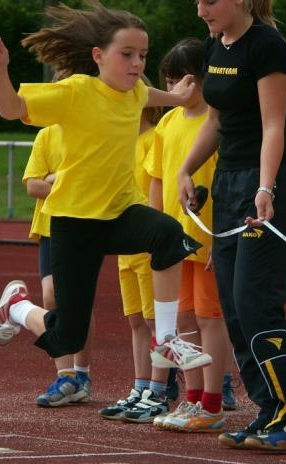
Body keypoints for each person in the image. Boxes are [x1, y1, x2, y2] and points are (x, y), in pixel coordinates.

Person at [0, 1, 212, 375]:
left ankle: (166, 339)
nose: (137, 64)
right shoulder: (76, 91)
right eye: (127, 55)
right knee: (67, 339)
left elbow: (155, 97)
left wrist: (181, 96)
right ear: (98, 56)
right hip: (75, 221)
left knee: (169, 235)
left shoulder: (135, 92)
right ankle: (17, 308)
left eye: (142, 55)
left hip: (120, 212)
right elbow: (12, 109)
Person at [178, 0, 286, 451]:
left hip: (268, 183)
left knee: (256, 301)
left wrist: (266, 188)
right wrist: (187, 169)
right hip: (228, 183)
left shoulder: (267, 45)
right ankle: (270, 410)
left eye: (210, 0)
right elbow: (217, 121)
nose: (202, 9)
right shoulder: (212, 46)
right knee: (235, 308)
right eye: (198, 1)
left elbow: (273, 125)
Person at [141, 38, 230, 432]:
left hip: (209, 238)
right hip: (175, 242)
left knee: (211, 319)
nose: (173, 87)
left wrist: (223, 236)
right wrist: (153, 231)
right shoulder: (167, 124)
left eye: (180, 79)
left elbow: (229, 181)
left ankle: (211, 402)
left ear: (199, 79)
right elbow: (158, 181)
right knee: (182, 320)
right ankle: (191, 398)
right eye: (168, 80)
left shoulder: (218, 121)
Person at [98, 93, 173, 422]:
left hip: (147, 241)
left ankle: (158, 391)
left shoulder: (152, 138)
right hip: (125, 244)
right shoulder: (117, 140)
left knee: (156, 321)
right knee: (136, 320)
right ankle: (141, 387)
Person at [22, 112, 94, 407]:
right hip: (50, 227)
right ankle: (65, 376)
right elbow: (32, 186)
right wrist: (62, 182)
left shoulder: (92, 133)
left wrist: (55, 180)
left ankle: (81, 374)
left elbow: (92, 181)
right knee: (51, 297)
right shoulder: (47, 135)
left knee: (78, 300)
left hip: (84, 224)